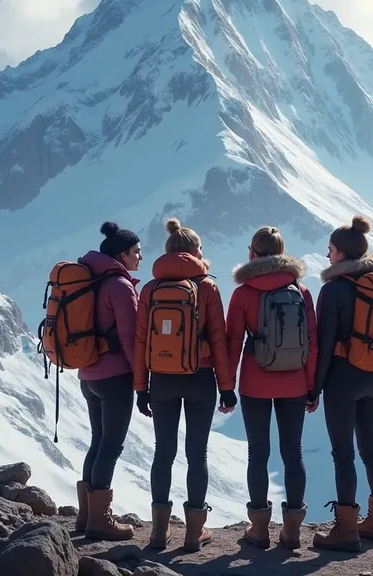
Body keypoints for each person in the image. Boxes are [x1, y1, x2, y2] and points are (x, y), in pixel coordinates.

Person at [134, 218, 237, 553]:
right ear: (195, 252)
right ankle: (193, 535)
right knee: (197, 453)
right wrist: (226, 386)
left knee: (163, 452)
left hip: (161, 380)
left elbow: (140, 343)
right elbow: (218, 340)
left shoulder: (149, 289)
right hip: (200, 379)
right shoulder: (207, 287)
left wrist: (141, 388)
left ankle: (157, 534)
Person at [226, 226, 318, 551]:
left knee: (258, 454)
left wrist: (226, 387)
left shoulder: (243, 293)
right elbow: (312, 342)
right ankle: (292, 532)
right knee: (293, 452)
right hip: (294, 382)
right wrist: (312, 388)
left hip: (255, 382)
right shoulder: (301, 291)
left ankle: (259, 530)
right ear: (282, 255)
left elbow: (233, 344)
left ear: (252, 253)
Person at [312, 215, 373, 552]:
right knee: (371, 450)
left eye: (330, 249)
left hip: (342, 380)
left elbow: (324, 344)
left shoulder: (333, 290)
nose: (327, 254)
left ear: (342, 253)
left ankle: (345, 532)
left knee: (343, 454)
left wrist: (314, 389)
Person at [76, 221, 142, 541]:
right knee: (110, 446)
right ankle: (100, 521)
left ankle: (85, 517)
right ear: (121, 255)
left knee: (97, 441)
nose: (140, 258)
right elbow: (131, 340)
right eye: (136, 253)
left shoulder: (88, 278)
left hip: (87, 374)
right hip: (114, 377)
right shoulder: (119, 285)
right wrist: (142, 382)